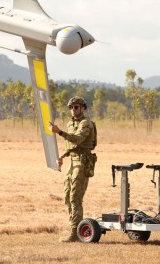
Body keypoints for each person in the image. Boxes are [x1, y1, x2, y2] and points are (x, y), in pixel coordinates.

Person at [48, 96, 97, 242]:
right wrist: (63, 155)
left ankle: (76, 233)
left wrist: (59, 132)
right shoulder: (70, 124)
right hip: (72, 163)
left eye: (76, 107)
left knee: (75, 198)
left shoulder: (86, 123)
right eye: (71, 107)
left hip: (82, 163)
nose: (73, 110)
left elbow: (77, 139)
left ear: (83, 108)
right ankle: (74, 228)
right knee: (67, 196)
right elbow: (72, 146)